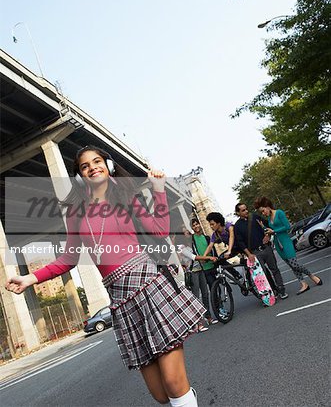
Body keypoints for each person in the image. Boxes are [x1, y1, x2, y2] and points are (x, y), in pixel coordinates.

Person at [5, 145, 204, 407]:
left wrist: (158, 190)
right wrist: (30, 278)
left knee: (174, 385)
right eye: (85, 166)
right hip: (122, 301)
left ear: (108, 166)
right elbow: (68, 258)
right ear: (79, 176)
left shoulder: (126, 197)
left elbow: (158, 231)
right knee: (159, 394)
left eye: (97, 161)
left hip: (150, 287)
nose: (92, 167)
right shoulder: (77, 214)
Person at [254, 197, 323, 295]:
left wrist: (274, 231)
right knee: (291, 265)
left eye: (263, 211)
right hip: (278, 244)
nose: (263, 214)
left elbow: (287, 226)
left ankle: (312, 275)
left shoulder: (279, 213)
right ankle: (303, 284)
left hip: (286, 241)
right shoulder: (269, 219)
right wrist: (265, 228)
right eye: (262, 212)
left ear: (268, 207)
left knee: (294, 264)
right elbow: (272, 231)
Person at [233, 202, 289, 300]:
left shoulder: (254, 217)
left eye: (246, 209)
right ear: (238, 213)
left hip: (266, 248)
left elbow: (268, 225)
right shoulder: (237, 226)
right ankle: (272, 291)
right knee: (263, 274)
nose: (246, 211)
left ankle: (281, 290)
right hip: (255, 253)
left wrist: (268, 235)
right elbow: (240, 242)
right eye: (243, 210)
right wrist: (249, 254)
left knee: (274, 269)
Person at [177, 226, 218, 330]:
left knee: (205, 294)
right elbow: (193, 257)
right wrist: (208, 257)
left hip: (200, 270)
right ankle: (198, 324)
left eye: (188, 231)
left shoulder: (191, 244)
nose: (188, 233)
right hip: (192, 273)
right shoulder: (181, 247)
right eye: (185, 232)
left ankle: (208, 317)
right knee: (196, 298)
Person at [202, 212, 243, 283]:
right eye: (210, 225)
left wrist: (229, 251)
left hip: (242, 246)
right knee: (220, 260)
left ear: (219, 223)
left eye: (212, 224)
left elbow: (231, 237)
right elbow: (210, 246)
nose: (211, 226)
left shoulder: (228, 226)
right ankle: (237, 275)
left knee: (246, 263)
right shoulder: (215, 234)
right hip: (234, 249)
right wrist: (204, 257)